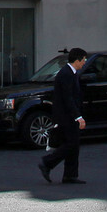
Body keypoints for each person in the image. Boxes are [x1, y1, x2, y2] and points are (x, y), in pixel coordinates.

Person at [37, 47, 90, 186]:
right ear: (77, 60)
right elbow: (68, 98)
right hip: (66, 117)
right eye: (84, 60)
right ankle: (47, 162)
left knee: (74, 144)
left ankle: (70, 175)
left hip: (68, 115)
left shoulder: (71, 73)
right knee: (71, 144)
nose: (84, 62)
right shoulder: (66, 74)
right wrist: (78, 117)